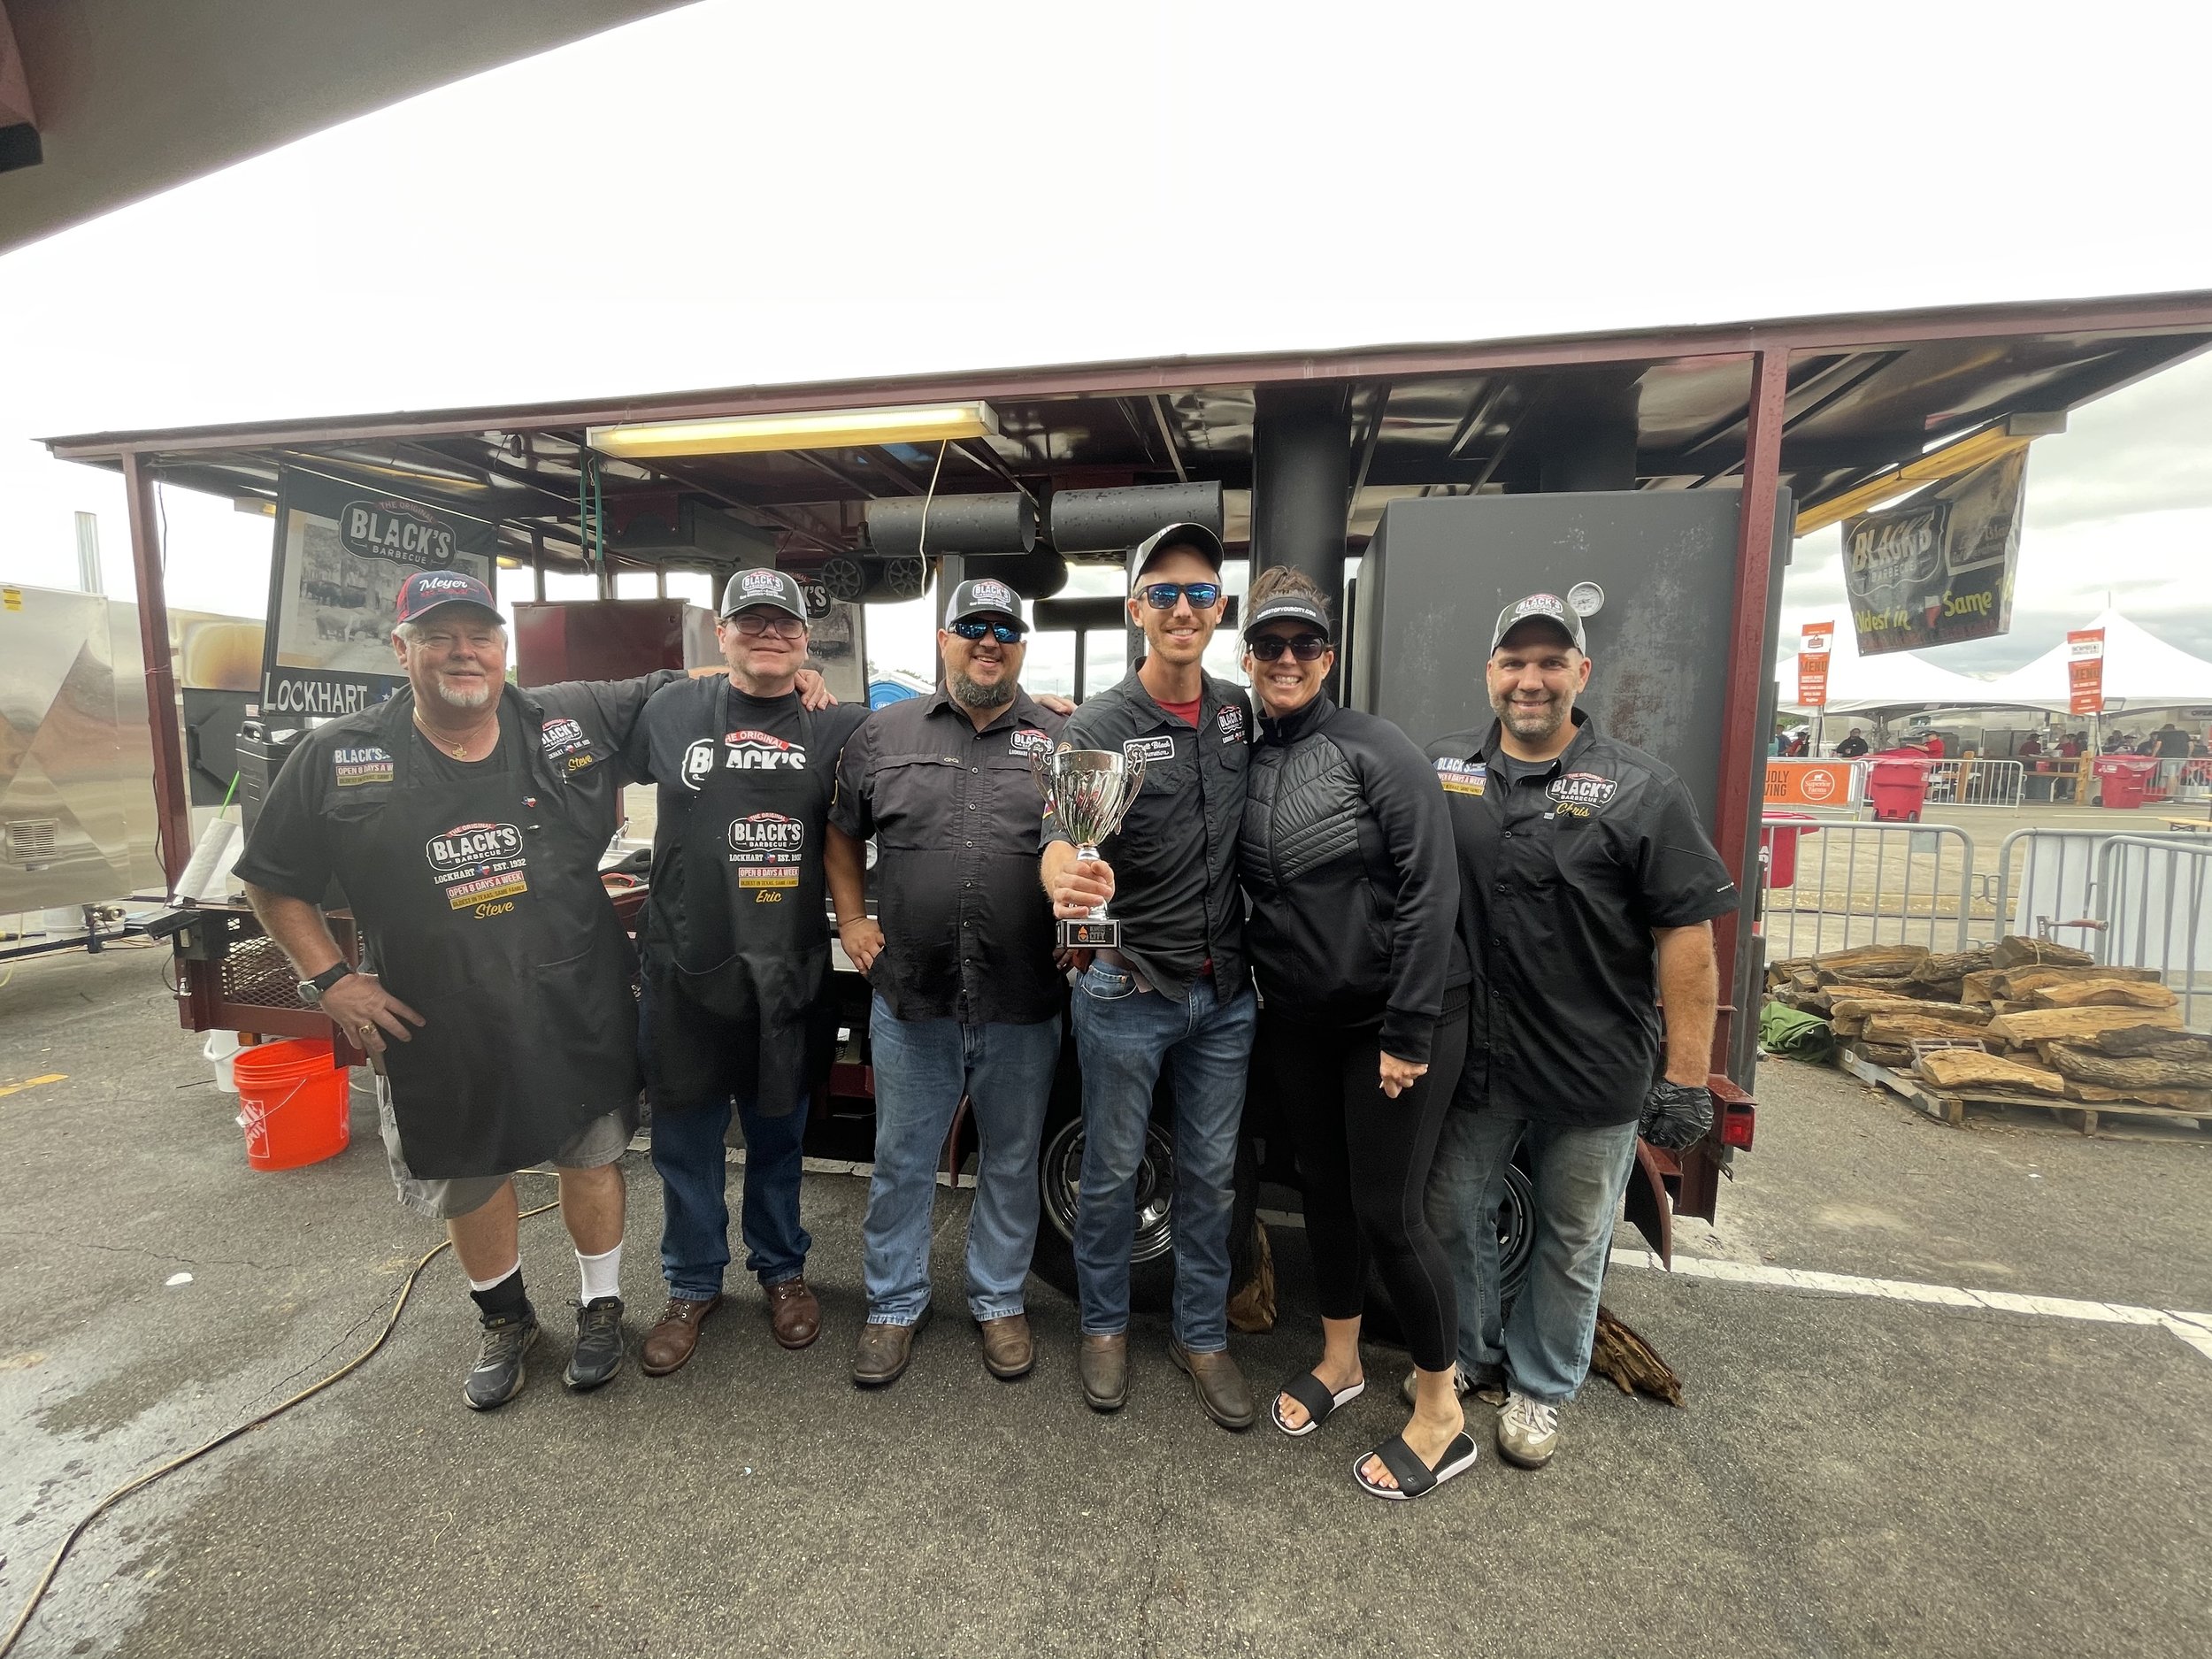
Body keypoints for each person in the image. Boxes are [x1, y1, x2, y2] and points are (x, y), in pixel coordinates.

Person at [237, 571, 675, 1409]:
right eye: (439, 636)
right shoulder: (338, 754)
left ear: (504, 649)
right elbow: (271, 878)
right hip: (432, 1013)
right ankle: (506, 1321)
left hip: (573, 996)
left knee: (590, 1156)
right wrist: (331, 979)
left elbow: (676, 685)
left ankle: (600, 1306)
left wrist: (795, 672)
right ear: (401, 650)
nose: (463, 652)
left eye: (480, 635)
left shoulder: (563, 723)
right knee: (469, 1171)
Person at [1425, 592, 1737, 1471]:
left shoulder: (1643, 788)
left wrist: (1686, 1076)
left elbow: (1686, 939)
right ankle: (1472, 1355)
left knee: (1571, 1238)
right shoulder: (1444, 768)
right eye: (1514, 662)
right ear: (1490, 672)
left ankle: (1541, 1385)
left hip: (1592, 1065)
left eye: (1551, 662)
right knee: (1453, 1213)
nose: (1531, 680)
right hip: (1478, 1058)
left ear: (1582, 674)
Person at [1233, 567, 1475, 1501]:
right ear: (1249, 658)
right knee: (1324, 1194)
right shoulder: (1248, 752)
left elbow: (1431, 888)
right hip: (1302, 1019)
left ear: (1327, 657)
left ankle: (1442, 1412)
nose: (1286, 659)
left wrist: (1408, 1029)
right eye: (1269, 645)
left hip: (1398, 1018)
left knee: (1390, 1213)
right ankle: (1341, 1362)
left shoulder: (1379, 748)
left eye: (1303, 644)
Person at [623, 569, 871, 1375]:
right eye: (750, 621)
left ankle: (782, 1269)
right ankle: (692, 1282)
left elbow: (940, 733)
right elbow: (567, 741)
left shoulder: (836, 724)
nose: (769, 634)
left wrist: (1051, 715)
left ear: (805, 639)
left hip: (784, 975)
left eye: (784, 624)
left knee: (777, 1139)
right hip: (685, 970)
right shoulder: (670, 708)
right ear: (722, 632)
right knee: (685, 1143)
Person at [1040, 521, 1258, 1430]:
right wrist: (1063, 880)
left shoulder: (1240, 712)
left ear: (1219, 608)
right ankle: (1103, 1326)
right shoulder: (1101, 725)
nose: (1181, 608)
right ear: (1136, 609)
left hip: (1225, 995)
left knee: (1211, 1177)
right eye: (1163, 593)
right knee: (1112, 1170)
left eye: (1199, 593)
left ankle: (1201, 1335)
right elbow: (1063, 839)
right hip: (1126, 988)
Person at [828, 579, 1067, 1387]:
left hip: (1023, 996)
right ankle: (894, 1304)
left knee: (1012, 1157)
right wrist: (852, 919)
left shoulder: (1062, 738)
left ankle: (998, 1299)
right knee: (902, 1157)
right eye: (972, 625)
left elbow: (1093, 843)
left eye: (1006, 628)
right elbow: (841, 831)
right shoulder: (882, 733)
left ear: (1022, 645)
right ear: (944, 638)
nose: (988, 640)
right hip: (914, 997)